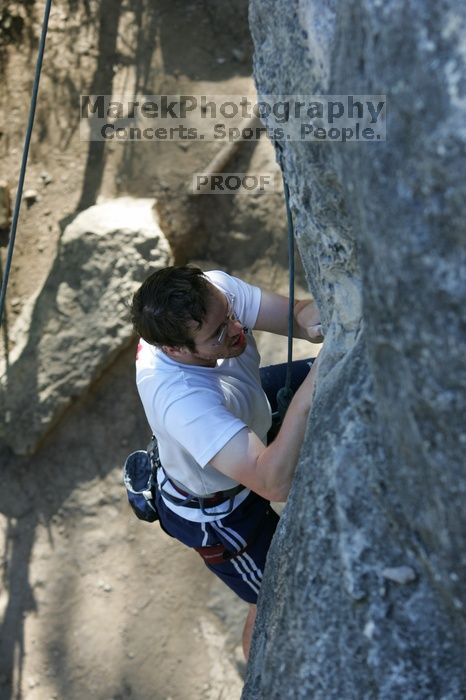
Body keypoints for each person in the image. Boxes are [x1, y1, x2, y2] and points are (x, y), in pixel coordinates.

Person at [130, 266, 323, 659]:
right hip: (221, 511)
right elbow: (273, 482)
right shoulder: (181, 401)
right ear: (176, 350)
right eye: (218, 334)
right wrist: (316, 381)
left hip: (243, 405)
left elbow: (298, 314)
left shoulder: (211, 296)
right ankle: (261, 677)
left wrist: (318, 320)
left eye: (231, 314)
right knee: (273, 599)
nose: (236, 329)